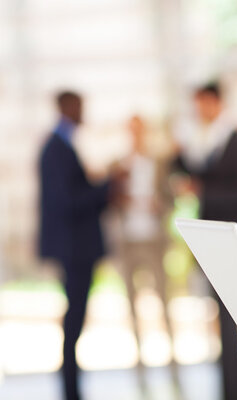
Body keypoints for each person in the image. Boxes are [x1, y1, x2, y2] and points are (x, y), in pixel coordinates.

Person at [173, 81, 237, 400]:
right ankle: (230, 389)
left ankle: (236, 389)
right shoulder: (206, 142)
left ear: (217, 103)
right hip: (216, 243)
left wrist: (200, 190)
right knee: (224, 321)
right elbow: (199, 172)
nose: (199, 112)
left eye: (204, 104)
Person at [38, 91, 117, 400]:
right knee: (74, 317)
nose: (84, 111)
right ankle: (70, 389)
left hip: (77, 246)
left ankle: (71, 386)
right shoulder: (56, 148)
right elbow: (67, 202)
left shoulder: (64, 145)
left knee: (76, 316)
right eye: (80, 106)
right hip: (73, 248)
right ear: (67, 108)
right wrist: (106, 186)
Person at [116, 115, 177, 389]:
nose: (136, 135)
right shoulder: (118, 165)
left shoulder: (158, 163)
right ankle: (139, 363)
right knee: (132, 303)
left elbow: (171, 199)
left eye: (140, 129)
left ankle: (172, 361)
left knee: (164, 300)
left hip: (154, 240)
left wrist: (158, 204)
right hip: (128, 242)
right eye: (132, 130)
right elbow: (108, 199)